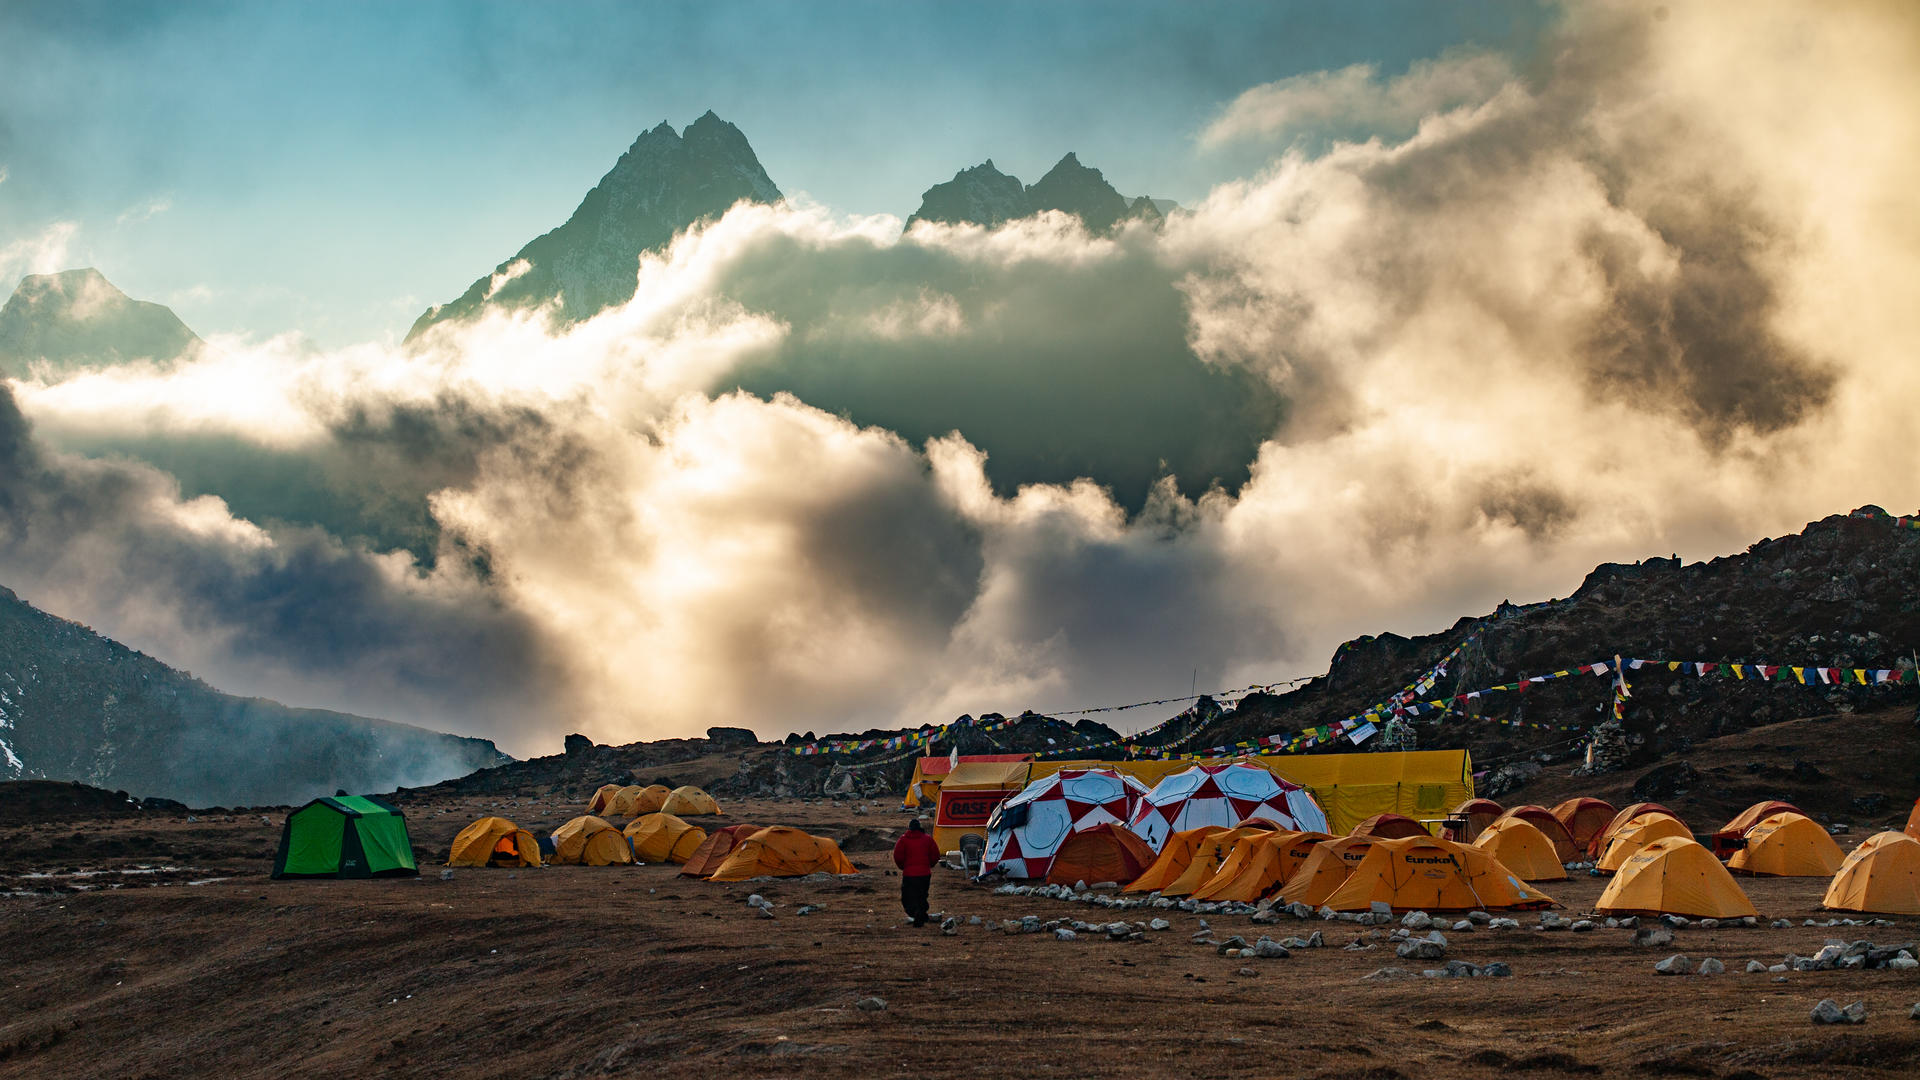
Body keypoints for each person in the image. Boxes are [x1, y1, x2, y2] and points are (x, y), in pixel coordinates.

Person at [891, 818, 940, 926]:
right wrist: (930, 865)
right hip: (924, 874)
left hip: (909, 874)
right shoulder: (927, 839)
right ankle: (921, 913)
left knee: (908, 897)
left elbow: (897, 856)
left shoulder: (903, 840)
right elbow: (935, 855)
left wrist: (903, 867)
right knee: (922, 895)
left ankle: (915, 913)